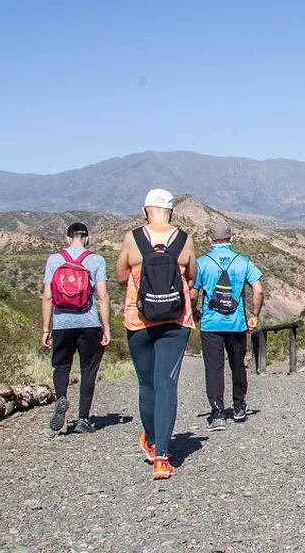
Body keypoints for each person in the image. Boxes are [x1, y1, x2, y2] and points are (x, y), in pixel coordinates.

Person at [117, 189, 196, 480]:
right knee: (167, 383)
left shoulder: (132, 238)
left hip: (138, 319)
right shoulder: (184, 240)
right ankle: (162, 457)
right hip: (176, 320)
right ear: (171, 211)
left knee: (147, 384)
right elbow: (191, 277)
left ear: (145, 210)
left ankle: (150, 440)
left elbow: (122, 277)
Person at [191, 221, 264, 431]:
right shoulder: (243, 262)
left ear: (209, 240)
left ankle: (217, 413)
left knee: (214, 368)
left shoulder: (202, 263)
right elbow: (258, 291)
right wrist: (255, 315)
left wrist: (196, 312)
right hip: (237, 323)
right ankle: (239, 406)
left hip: (211, 324)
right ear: (231, 238)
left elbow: (193, 293)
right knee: (237, 365)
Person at [40, 222, 111, 434]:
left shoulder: (54, 260)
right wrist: (106, 327)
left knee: (61, 365)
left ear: (68, 238)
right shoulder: (96, 260)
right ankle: (83, 419)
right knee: (89, 369)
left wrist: (46, 329)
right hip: (89, 323)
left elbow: (47, 296)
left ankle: (61, 396)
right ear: (87, 238)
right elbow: (103, 296)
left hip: (62, 323)